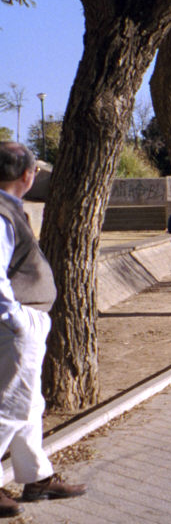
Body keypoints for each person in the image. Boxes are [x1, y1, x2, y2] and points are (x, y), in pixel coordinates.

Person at [0, 143, 86, 517]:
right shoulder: (1, 213)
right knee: (8, 407)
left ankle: (37, 478)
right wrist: (15, 319)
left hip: (23, 320)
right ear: (27, 175)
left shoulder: (7, 209)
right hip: (15, 324)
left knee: (29, 404)